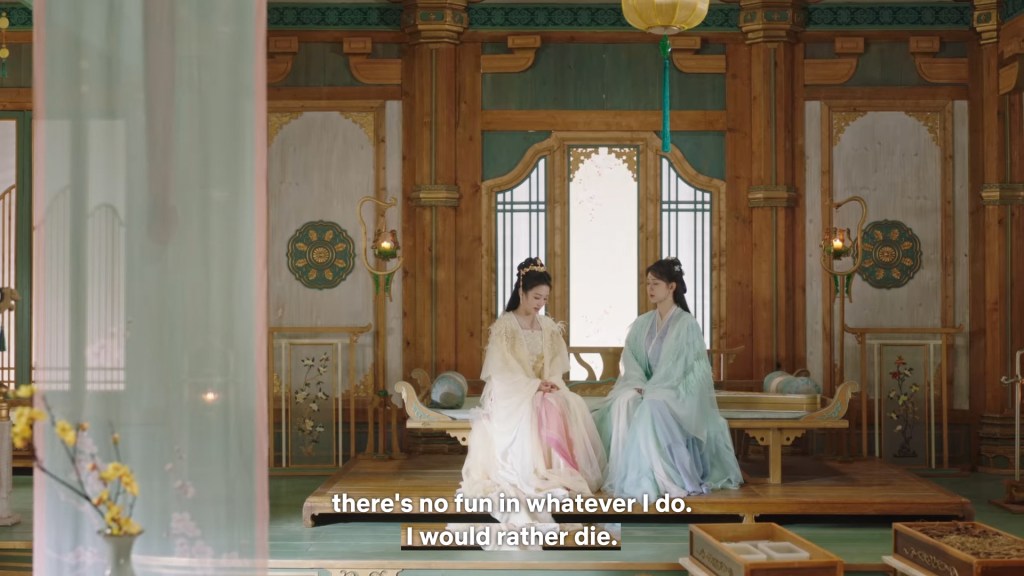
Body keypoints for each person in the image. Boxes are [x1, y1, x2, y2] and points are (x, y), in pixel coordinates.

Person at [458, 257, 606, 545]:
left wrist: (548, 383)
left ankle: (559, 471)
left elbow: (555, 366)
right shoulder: (505, 326)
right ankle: (535, 471)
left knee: (566, 402)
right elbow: (502, 373)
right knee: (540, 406)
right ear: (522, 292)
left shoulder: (547, 326)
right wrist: (534, 386)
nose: (541, 303)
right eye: (536, 297)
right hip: (513, 393)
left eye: (545, 298)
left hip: (542, 387)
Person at [592, 257, 742, 499]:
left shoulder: (686, 324)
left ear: (671, 287)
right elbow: (631, 359)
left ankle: (667, 475)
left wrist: (652, 389)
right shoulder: (643, 323)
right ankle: (628, 473)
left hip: (676, 391)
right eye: (648, 283)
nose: (650, 288)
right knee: (624, 401)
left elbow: (681, 368)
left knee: (651, 405)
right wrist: (639, 384)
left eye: (656, 283)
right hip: (646, 387)